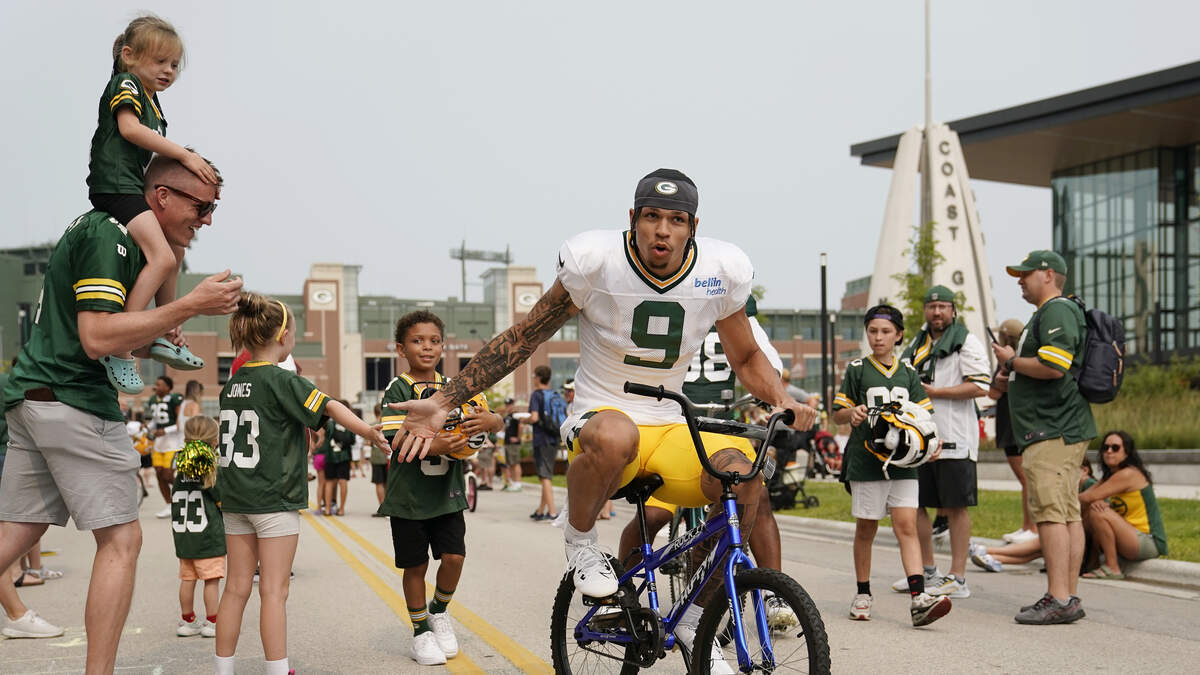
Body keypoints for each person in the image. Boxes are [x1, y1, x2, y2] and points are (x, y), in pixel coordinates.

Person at [388, 169, 816, 672]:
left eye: (675, 220)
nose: (662, 230)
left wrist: (782, 398)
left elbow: (745, 358)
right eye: (652, 217)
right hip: (601, 417)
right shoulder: (597, 262)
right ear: (633, 218)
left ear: (692, 227)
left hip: (670, 424)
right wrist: (445, 399)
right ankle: (581, 539)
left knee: (742, 475)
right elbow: (526, 337)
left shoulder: (720, 270)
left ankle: (696, 617)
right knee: (618, 434)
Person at [0, 150, 240, 673]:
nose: (207, 219)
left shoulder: (119, 237)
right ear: (161, 197)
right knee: (122, 540)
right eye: (200, 207)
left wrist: (159, 329)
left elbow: (112, 332)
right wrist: (188, 306)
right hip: (73, 401)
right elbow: (96, 338)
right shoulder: (113, 235)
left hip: (37, 397)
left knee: (14, 536)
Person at [213, 292, 385, 675]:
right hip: (273, 499)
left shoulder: (235, 381)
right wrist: (367, 432)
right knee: (274, 591)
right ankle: (277, 669)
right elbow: (331, 406)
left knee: (236, 588)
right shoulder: (283, 379)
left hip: (236, 498)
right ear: (285, 335)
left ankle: (222, 669)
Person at [88, 14, 217, 393]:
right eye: (159, 61)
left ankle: (163, 329)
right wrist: (186, 157)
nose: (168, 70)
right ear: (129, 56)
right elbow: (129, 129)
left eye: (174, 64)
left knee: (175, 252)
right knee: (160, 256)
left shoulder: (153, 101)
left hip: (132, 186)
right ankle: (123, 346)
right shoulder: (124, 84)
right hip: (116, 187)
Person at [377, 310, 503, 665]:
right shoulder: (397, 388)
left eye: (433, 341)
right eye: (418, 341)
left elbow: (490, 418)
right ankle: (420, 633)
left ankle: (439, 611)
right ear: (402, 348)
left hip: (447, 493)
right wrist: (439, 446)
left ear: (443, 346)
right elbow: (394, 441)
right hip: (409, 498)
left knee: (455, 558)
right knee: (415, 567)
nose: (427, 347)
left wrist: (492, 421)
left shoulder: (457, 387)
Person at [992, 249, 1097, 625]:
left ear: (1048, 274)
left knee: (1052, 514)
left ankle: (1058, 597)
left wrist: (1009, 360)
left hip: (1052, 429)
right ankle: (1067, 595)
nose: (1020, 280)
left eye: (1026, 274)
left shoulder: (1056, 310)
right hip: (1060, 427)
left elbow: (1053, 365)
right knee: (1067, 514)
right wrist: (1014, 373)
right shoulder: (1052, 312)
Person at [833, 304, 950, 627]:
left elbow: (925, 416)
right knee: (867, 527)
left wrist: (932, 443)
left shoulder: (909, 373)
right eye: (872, 331)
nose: (878, 337)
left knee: (906, 526)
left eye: (885, 332)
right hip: (868, 460)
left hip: (904, 462)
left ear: (899, 335)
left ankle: (919, 598)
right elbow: (838, 412)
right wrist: (851, 414)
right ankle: (863, 592)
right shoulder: (857, 369)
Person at [894, 285, 991, 600]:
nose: (937, 312)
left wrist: (935, 392)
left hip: (955, 437)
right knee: (917, 504)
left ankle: (958, 577)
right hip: (920, 440)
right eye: (932, 306)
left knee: (955, 506)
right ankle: (926, 570)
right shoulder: (916, 344)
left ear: (953, 310)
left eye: (943, 307)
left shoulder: (966, 341)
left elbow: (980, 385)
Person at [970, 456, 1096, 573]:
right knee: (1041, 550)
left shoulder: (1088, 484)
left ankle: (987, 551)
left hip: (1083, 541)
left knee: (1045, 544)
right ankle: (993, 558)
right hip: (1076, 539)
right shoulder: (1073, 488)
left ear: (1085, 470)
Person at [1078, 431, 1167, 579]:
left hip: (1148, 541)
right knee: (1089, 511)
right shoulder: (1111, 475)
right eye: (1105, 447)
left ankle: (1113, 567)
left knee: (1097, 512)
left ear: (1127, 452)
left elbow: (1088, 497)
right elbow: (1084, 499)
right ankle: (1091, 563)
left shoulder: (1129, 474)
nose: (1109, 451)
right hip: (1129, 536)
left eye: (1115, 447)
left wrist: (1061, 501)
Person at [171, 415, 224, 639]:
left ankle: (187, 619)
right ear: (214, 440)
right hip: (207, 534)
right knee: (210, 580)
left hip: (184, 532)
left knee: (188, 579)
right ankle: (212, 621)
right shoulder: (208, 465)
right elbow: (221, 498)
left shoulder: (181, 463)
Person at [989, 318, 1038, 544]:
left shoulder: (1013, 361)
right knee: (1026, 480)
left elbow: (994, 393)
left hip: (1014, 426)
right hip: (1017, 424)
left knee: (1027, 480)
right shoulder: (1024, 360)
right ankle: (1027, 526)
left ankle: (1032, 528)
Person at [527, 365, 560, 521]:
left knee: (545, 476)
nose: (533, 379)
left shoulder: (537, 395)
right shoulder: (554, 394)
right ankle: (541, 510)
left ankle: (552, 513)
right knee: (544, 475)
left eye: (534, 376)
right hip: (554, 437)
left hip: (541, 439)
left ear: (539, 378)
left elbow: (534, 417)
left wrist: (523, 420)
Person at [148, 375, 184, 518]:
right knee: (158, 474)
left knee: (168, 474)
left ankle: (185, 495)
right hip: (159, 444)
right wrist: (148, 427)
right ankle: (169, 505)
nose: (156, 386)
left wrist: (165, 430)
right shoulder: (152, 400)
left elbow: (181, 422)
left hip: (173, 443)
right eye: (156, 383)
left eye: (159, 384)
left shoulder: (175, 399)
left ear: (168, 387)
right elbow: (156, 421)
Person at [317, 401, 356, 516]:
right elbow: (352, 440)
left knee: (329, 481)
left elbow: (326, 435)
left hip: (330, 456)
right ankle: (341, 509)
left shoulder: (329, 423)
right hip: (344, 456)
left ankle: (328, 508)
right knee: (342, 481)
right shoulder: (350, 423)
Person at [370, 404, 390, 513]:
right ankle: (388, 506)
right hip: (388, 456)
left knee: (379, 483)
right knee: (387, 483)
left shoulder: (371, 426)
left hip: (377, 458)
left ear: (374, 412)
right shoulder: (388, 425)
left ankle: (382, 507)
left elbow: (367, 442)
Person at [500, 398, 523, 491]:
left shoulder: (516, 415)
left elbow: (521, 426)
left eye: (509, 404)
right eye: (506, 405)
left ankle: (518, 483)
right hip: (508, 442)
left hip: (514, 443)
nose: (507, 406)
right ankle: (513, 483)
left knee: (515, 463)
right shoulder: (508, 416)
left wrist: (518, 438)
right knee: (511, 463)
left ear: (513, 405)